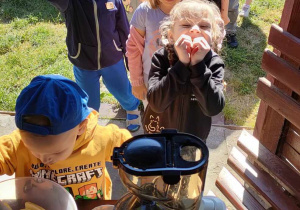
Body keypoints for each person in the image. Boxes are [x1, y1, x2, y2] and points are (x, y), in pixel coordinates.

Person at [0, 75, 132, 200]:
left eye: (56, 152)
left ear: (81, 127)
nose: (44, 159)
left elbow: (134, 148)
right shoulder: (17, 144)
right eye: (32, 149)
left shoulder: (100, 139)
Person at [47, 0, 141, 132]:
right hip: (84, 60)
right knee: (88, 98)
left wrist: (129, 58)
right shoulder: (70, 3)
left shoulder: (114, 1)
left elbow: (123, 29)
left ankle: (131, 108)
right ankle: (90, 121)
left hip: (112, 58)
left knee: (122, 89)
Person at [143, 0, 225, 141]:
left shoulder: (214, 63)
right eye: (186, 25)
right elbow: (156, 103)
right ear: (171, 36)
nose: (195, 29)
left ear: (214, 37)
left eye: (204, 26)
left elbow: (213, 108)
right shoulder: (161, 58)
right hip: (159, 133)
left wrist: (198, 65)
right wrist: (182, 64)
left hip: (193, 138)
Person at [126, 0, 181, 109]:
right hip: (151, 77)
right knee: (154, 117)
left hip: (182, 77)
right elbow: (133, 47)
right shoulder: (144, 11)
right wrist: (137, 81)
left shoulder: (193, 11)